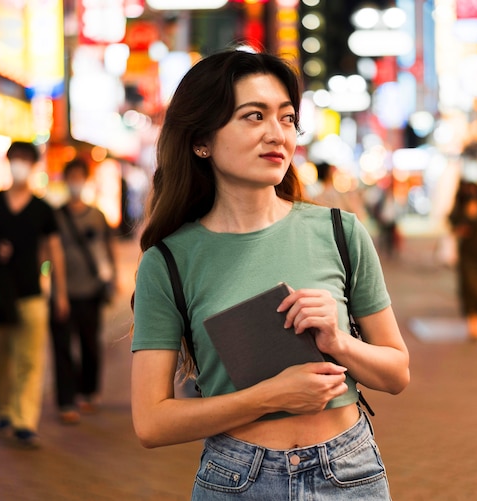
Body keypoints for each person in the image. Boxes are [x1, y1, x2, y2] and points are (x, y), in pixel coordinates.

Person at [131, 49, 409, 500]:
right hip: (238, 479)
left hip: (348, 472)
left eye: (286, 118)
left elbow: (397, 373)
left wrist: (339, 341)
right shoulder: (168, 263)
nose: (276, 134)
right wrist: (272, 396)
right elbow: (151, 421)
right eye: (253, 116)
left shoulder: (340, 232)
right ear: (202, 139)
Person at [0, 141, 69, 449]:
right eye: (15, 158)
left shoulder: (42, 209)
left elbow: (54, 250)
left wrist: (60, 292)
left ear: (34, 165)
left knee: (30, 359)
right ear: (8, 162)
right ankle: (3, 410)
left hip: (31, 293)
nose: (20, 164)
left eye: (25, 159)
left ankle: (24, 420)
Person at [50, 157, 117, 424]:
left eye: (79, 177)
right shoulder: (55, 216)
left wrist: (113, 277)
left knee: (90, 344)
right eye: (71, 177)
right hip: (63, 292)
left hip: (91, 290)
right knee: (63, 348)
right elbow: (48, 252)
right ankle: (66, 399)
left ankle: (89, 391)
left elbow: (107, 247)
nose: (75, 183)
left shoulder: (97, 215)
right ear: (65, 180)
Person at [448, 181, 477, 341]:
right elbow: (452, 222)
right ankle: (472, 321)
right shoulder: (461, 207)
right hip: (466, 253)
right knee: (468, 286)